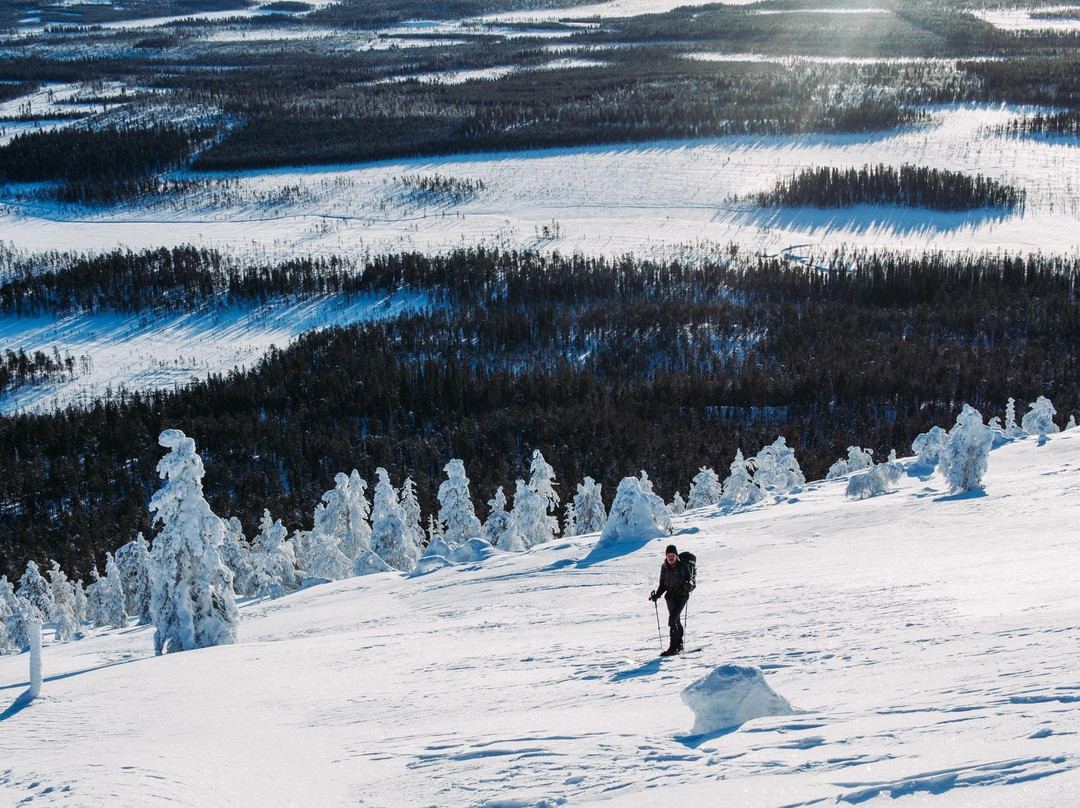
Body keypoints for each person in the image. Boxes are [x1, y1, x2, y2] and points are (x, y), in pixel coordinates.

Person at [649, 544, 693, 656]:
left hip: (681, 596)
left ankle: (673, 648)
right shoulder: (664, 567)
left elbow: (689, 579)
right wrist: (657, 595)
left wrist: (688, 585)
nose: (670, 557)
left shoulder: (682, 565)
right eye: (668, 555)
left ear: (676, 555)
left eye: (672, 555)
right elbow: (663, 584)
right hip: (670, 597)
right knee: (676, 621)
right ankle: (679, 645)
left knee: (672, 620)